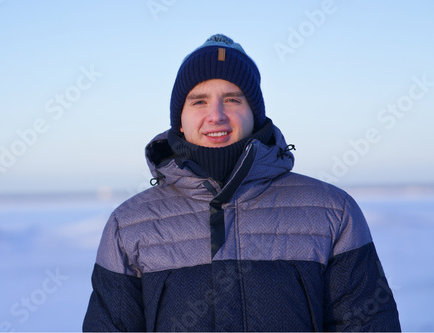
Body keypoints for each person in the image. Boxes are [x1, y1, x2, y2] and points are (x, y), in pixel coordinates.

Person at [83, 34, 401, 332]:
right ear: (179, 119)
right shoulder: (129, 225)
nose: (216, 115)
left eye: (233, 99)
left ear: (255, 113)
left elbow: (368, 324)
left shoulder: (331, 211)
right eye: (199, 101)